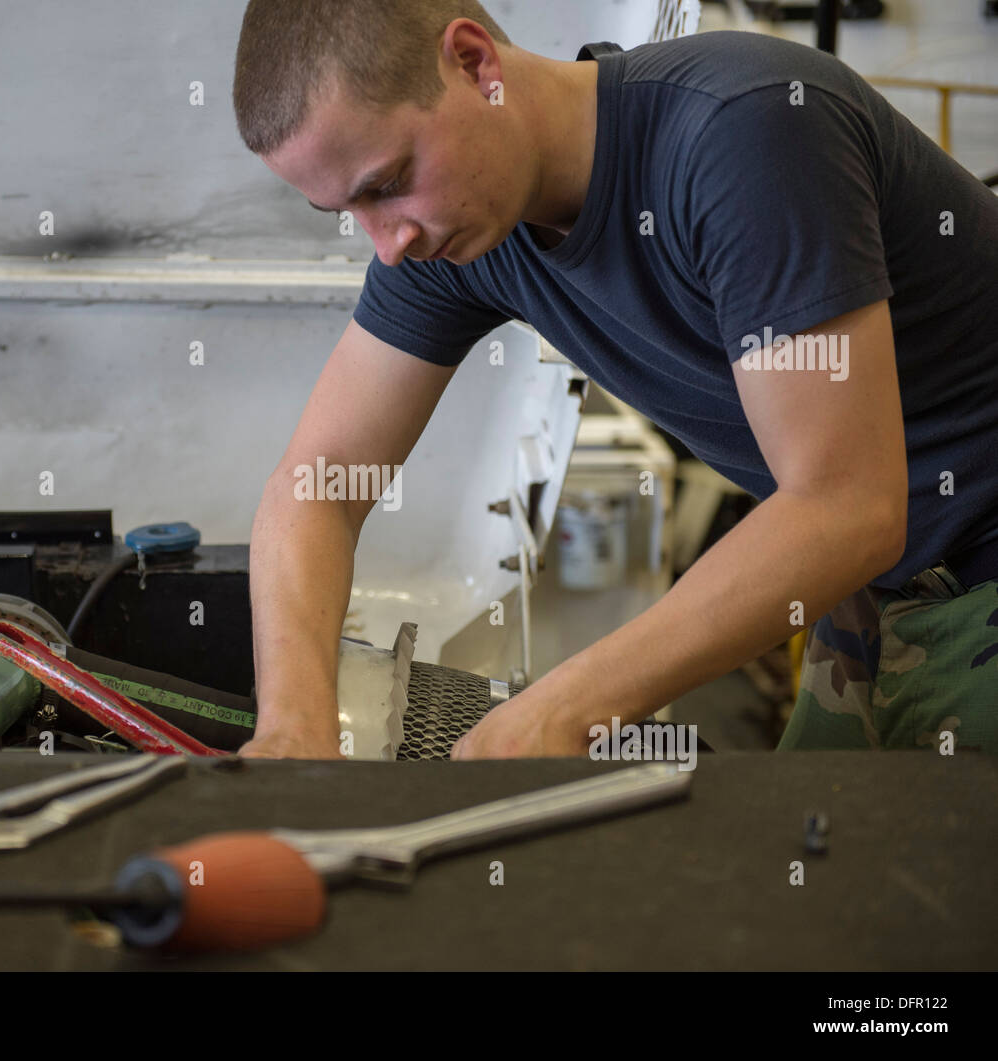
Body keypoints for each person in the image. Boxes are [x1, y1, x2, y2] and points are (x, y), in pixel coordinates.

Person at [229, 0, 998, 758]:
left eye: (388, 181)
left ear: (474, 64)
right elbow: (316, 486)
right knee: (799, 866)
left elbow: (849, 505)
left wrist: (569, 705)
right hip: (884, 588)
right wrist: (295, 726)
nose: (386, 243)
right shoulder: (456, 236)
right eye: (348, 209)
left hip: (970, 552)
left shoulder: (743, 131)